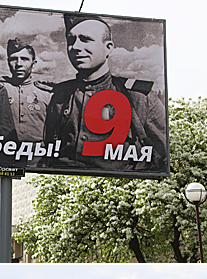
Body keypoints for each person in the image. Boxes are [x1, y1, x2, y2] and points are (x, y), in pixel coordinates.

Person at [45, 14, 167, 170]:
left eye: (85, 39)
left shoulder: (139, 97)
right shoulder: (61, 95)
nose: (75, 47)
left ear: (108, 47)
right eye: (71, 41)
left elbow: (163, 155)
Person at [1, 39, 52, 144]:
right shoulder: (0, 89)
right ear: (8, 62)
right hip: (6, 152)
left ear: (34, 64)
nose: (19, 64)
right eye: (14, 59)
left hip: (37, 155)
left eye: (24, 59)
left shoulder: (46, 94)